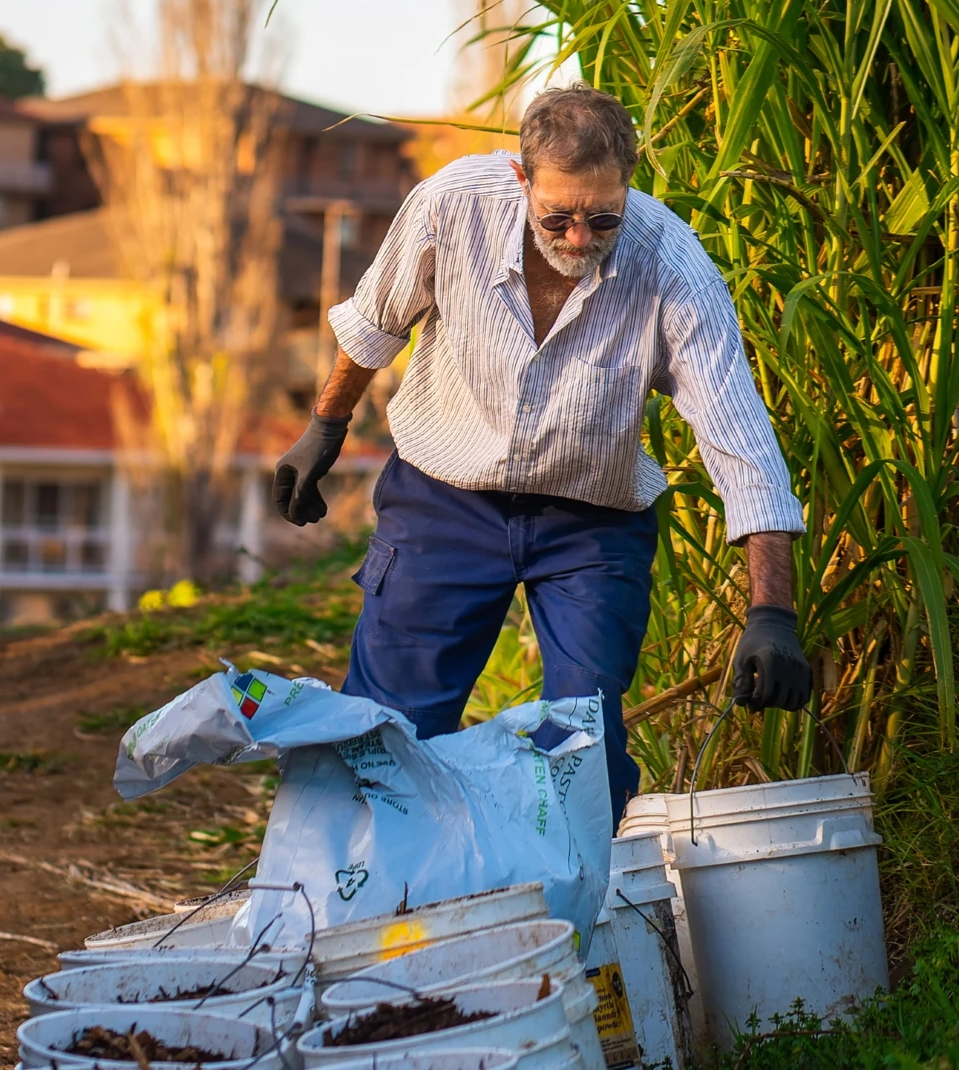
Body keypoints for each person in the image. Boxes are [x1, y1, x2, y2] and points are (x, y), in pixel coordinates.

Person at [273, 83, 810, 815]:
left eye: (602, 217)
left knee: (582, 743)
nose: (580, 237)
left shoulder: (673, 266)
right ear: (521, 178)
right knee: (388, 732)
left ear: (629, 181)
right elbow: (377, 322)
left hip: (591, 523)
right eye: (558, 215)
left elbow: (741, 443)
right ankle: (366, 904)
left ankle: (562, 911)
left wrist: (771, 611)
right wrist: (327, 427)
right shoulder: (452, 204)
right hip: (443, 502)